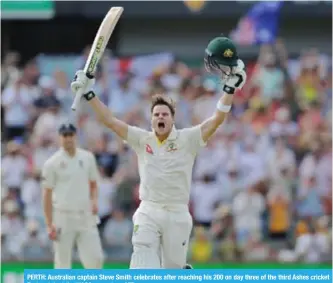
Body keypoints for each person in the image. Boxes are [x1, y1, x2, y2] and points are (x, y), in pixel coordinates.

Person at [71, 36, 247, 269]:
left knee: (173, 271)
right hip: (149, 210)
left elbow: (217, 120)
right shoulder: (141, 138)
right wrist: (89, 93)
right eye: (156, 114)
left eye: (165, 114)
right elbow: (110, 121)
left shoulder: (188, 138)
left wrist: (229, 88)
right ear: (151, 119)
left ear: (173, 119)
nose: (160, 117)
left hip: (177, 212)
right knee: (142, 258)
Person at [41, 123, 104, 269]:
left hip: (86, 215)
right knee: (63, 263)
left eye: (71, 135)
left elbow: (93, 184)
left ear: (76, 136)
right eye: (65, 135)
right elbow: (47, 195)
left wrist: (94, 201)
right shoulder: (52, 163)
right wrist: (49, 224)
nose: (68, 139)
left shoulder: (87, 157)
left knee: (95, 259)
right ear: (60, 138)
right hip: (63, 217)